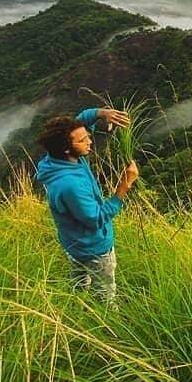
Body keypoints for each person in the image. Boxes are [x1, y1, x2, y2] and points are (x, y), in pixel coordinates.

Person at [35, 107, 139, 304]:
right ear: (67, 148)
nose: (90, 142)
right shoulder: (70, 185)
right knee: (105, 295)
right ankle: (107, 326)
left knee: (79, 280)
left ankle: (77, 304)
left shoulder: (56, 161)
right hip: (94, 247)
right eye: (83, 140)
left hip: (73, 242)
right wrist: (125, 185)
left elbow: (81, 120)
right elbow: (96, 219)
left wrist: (101, 113)